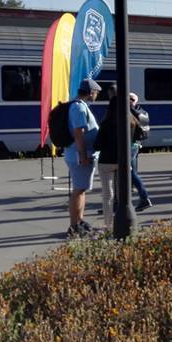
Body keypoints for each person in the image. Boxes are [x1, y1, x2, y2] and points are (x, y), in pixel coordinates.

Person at [94, 95, 139, 229]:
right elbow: (137, 137)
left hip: (106, 161)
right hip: (123, 162)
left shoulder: (106, 123)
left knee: (108, 195)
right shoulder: (132, 122)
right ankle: (124, 222)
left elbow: (97, 145)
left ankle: (108, 224)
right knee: (123, 194)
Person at [65, 79, 102, 237]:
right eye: (96, 93)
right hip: (80, 155)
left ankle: (79, 221)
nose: (97, 96)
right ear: (91, 92)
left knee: (82, 189)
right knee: (79, 190)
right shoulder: (78, 108)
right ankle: (74, 226)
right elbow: (79, 134)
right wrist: (83, 156)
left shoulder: (79, 106)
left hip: (82, 154)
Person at [128, 93, 152, 212]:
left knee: (130, 172)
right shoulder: (142, 111)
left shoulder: (133, 111)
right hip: (136, 144)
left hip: (131, 145)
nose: (129, 101)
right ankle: (118, 201)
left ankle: (144, 197)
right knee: (131, 171)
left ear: (136, 101)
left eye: (132, 99)